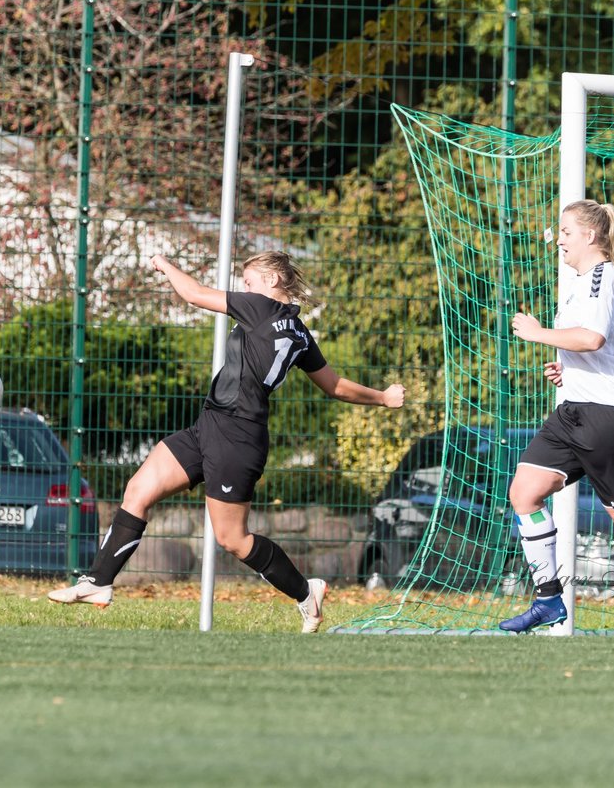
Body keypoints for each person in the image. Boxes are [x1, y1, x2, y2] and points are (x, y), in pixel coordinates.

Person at [49, 251, 406, 632]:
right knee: (139, 489)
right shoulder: (299, 331)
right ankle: (99, 582)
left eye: (249, 281)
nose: (244, 288)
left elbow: (194, 294)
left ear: (271, 281)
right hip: (210, 425)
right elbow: (334, 385)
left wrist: (165, 264)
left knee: (233, 539)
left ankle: (306, 592)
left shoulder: (261, 306)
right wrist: (382, 397)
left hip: (238, 436)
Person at [498, 199, 614, 636]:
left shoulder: (604, 276)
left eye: (565, 231)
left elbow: (594, 337)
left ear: (590, 236)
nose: (558, 238)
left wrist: (539, 334)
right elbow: (590, 346)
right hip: (575, 411)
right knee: (524, 492)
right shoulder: (579, 283)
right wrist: (566, 368)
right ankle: (548, 599)